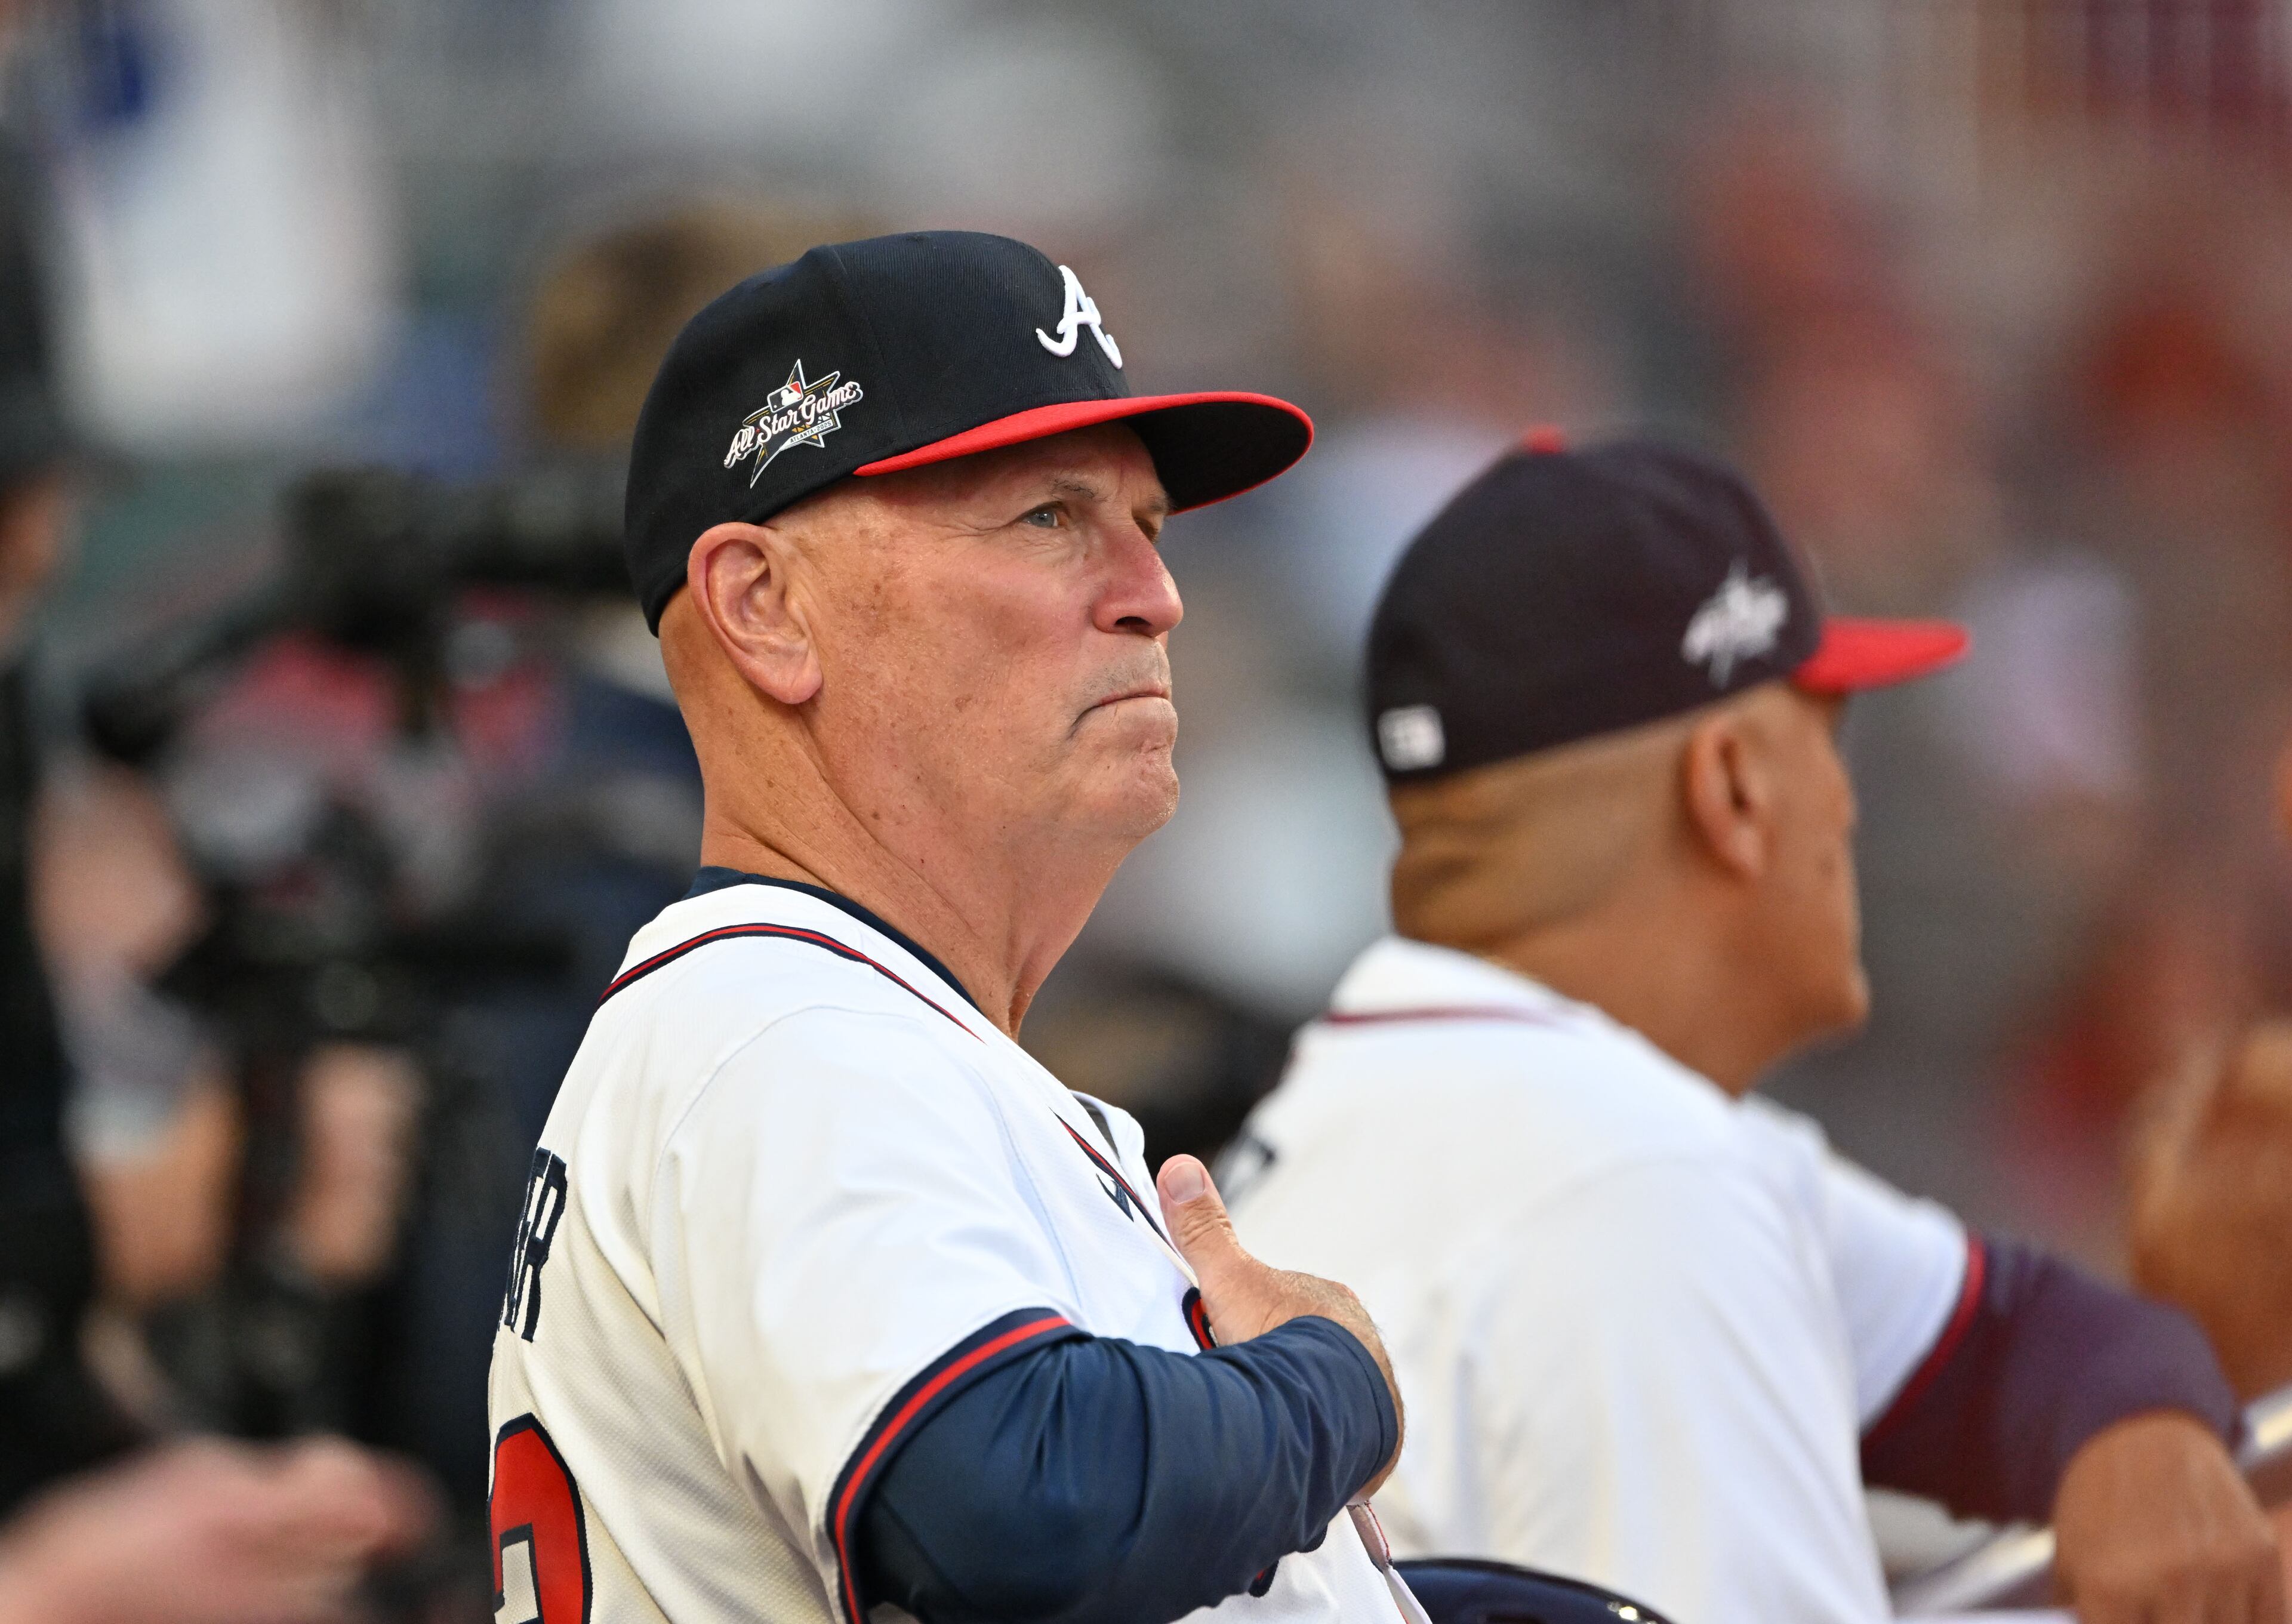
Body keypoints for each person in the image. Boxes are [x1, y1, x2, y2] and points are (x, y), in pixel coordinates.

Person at [486, 231, 1422, 1624]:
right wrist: (1328, 1377)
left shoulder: (833, 1030)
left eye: (1149, 525)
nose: (1154, 593)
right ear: (763, 605)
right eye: (1047, 515)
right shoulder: (778, 1028)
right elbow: (1021, 1506)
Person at [1222, 432, 2282, 1624]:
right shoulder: (1630, 1183)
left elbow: (2013, 1329)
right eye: (1825, 736)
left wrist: (2139, 1432)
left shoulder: (1410, 1095)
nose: (1846, 800)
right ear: (1731, 787)